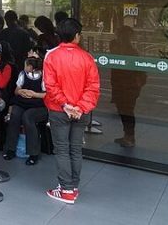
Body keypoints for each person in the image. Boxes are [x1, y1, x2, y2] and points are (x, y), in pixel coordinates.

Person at [44, 18, 100, 204]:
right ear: (77, 36)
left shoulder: (51, 57)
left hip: (59, 111)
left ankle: (65, 189)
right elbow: (93, 87)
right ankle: (73, 187)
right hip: (80, 112)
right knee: (75, 149)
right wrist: (80, 107)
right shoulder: (87, 58)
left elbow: (50, 86)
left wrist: (65, 105)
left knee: (62, 149)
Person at [3, 56, 47, 165]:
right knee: (15, 115)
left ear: (31, 67)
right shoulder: (23, 74)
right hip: (22, 102)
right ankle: (10, 149)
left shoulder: (44, 77)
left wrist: (34, 94)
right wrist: (21, 91)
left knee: (28, 117)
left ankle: (33, 153)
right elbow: (16, 90)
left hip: (38, 105)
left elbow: (47, 95)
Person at [109, 26, 145, 148]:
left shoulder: (131, 52)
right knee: (123, 111)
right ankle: (127, 135)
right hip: (120, 86)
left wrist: (137, 84)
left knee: (127, 111)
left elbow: (139, 72)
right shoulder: (118, 49)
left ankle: (130, 137)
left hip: (128, 87)